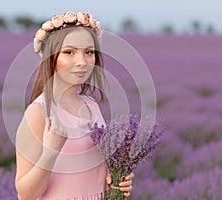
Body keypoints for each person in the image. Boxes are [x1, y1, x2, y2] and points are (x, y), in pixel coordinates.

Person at [15, 11, 134, 200]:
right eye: (69, 52)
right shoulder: (38, 112)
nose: (82, 62)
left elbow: (94, 174)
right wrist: (50, 153)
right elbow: (25, 194)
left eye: (89, 52)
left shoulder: (91, 106)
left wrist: (117, 182)